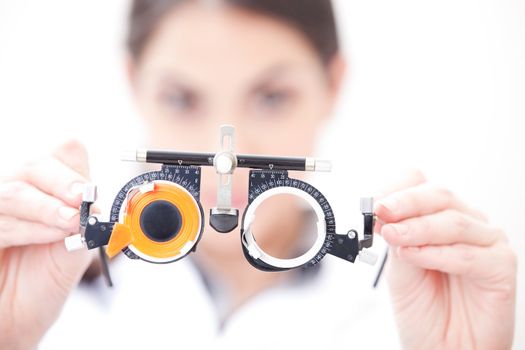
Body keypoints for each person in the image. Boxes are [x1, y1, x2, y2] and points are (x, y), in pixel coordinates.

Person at [0, 0, 517, 349]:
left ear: (333, 84)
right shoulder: (47, 303)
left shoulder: (413, 312)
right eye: (182, 98)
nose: (228, 152)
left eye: (272, 98)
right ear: (135, 85)